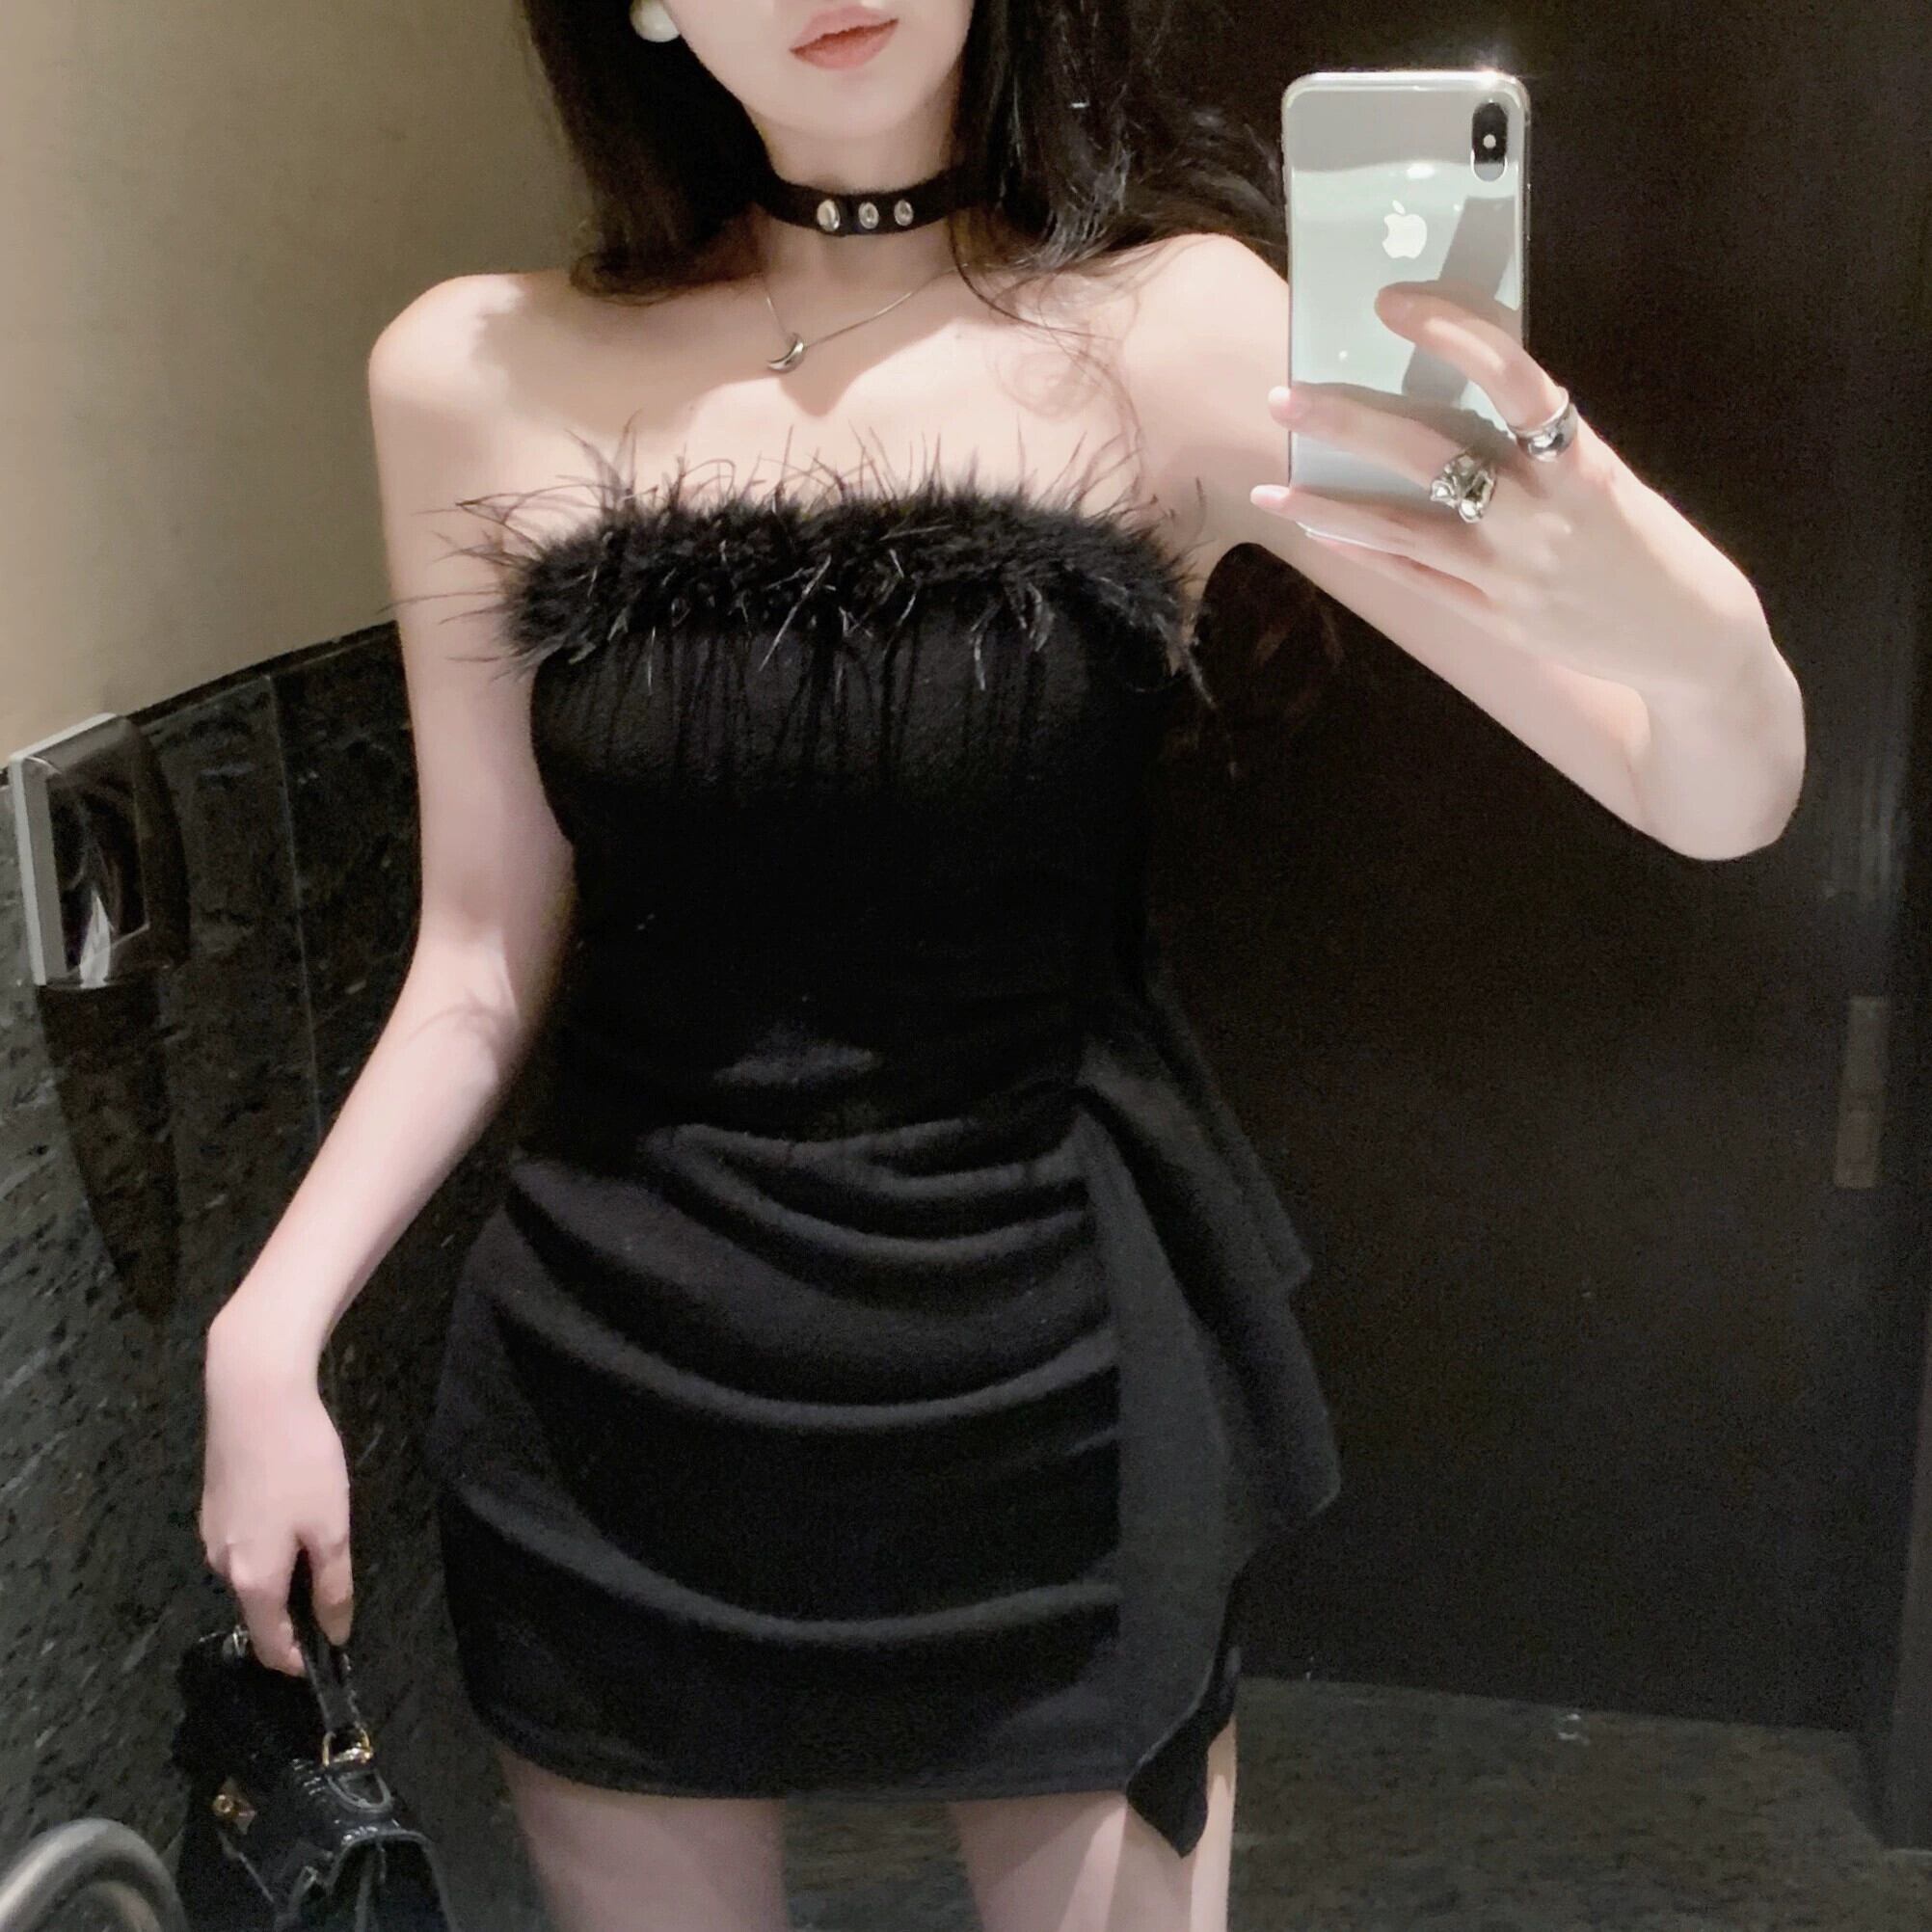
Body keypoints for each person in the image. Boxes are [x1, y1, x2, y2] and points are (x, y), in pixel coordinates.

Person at [198, 5, 1805, 1931]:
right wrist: (265, 1330)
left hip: (1054, 1385)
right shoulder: (473, 374)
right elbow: (476, 952)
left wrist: (1688, 619)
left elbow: (1712, 795)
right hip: (619, 1398)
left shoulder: (1181, 334)